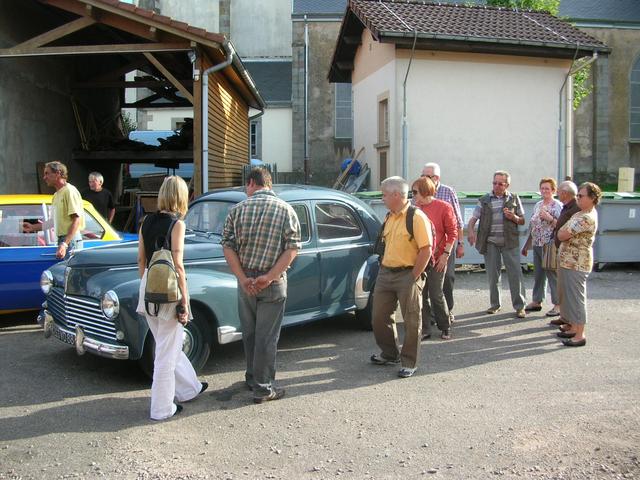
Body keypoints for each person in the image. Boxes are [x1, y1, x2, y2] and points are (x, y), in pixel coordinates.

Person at [221, 167, 301, 403]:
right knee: (267, 336)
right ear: (269, 184)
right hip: (272, 282)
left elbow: (227, 246)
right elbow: (292, 248)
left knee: (250, 333)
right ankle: (264, 387)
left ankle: (252, 377)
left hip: (245, 282)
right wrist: (271, 276)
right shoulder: (286, 209)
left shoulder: (236, 210)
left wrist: (242, 277)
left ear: (251, 184)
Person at [136, 176, 206, 420]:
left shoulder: (146, 221)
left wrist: (148, 284)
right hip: (169, 289)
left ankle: (189, 388)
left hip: (148, 288)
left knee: (168, 344)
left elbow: (141, 262)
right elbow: (178, 265)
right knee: (167, 352)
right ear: (181, 196)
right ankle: (162, 408)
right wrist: (184, 302)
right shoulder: (177, 225)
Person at [370, 176, 432, 378]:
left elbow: (426, 250)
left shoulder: (416, 217)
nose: (382, 198)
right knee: (379, 317)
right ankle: (389, 354)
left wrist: (413, 276)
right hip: (386, 273)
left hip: (408, 273)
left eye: (385, 195)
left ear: (397, 195)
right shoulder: (389, 216)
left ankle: (409, 362)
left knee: (412, 320)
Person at [467, 170, 527, 318]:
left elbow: (522, 220)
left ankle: (520, 306)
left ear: (507, 184)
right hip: (490, 243)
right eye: (494, 183)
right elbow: (474, 218)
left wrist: (513, 216)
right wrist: (470, 232)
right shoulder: (484, 199)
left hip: (509, 242)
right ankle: (495, 305)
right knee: (493, 276)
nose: (497, 186)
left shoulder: (514, 198)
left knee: (515, 274)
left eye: (500, 183)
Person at [555, 182, 601, 347]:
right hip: (569, 261)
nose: (578, 198)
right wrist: (562, 231)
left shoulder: (586, 217)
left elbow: (562, 234)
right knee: (570, 297)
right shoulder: (581, 213)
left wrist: (562, 232)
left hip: (577, 263)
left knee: (577, 299)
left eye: (581, 196)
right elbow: (562, 231)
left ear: (592, 198)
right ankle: (573, 327)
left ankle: (580, 335)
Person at [411, 176, 457, 340]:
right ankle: (425, 329)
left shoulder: (444, 207)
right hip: (420, 257)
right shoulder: (415, 209)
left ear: (424, 191)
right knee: (420, 294)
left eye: (415, 192)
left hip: (437, 258)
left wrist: (445, 255)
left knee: (436, 293)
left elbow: (452, 233)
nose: (413, 195)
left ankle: (445, 326)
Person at [421, 163, 464, 320]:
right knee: (427, 282)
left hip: (446, 244)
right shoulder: (419, 192)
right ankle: (431, 315)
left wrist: (460, 244)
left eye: (428, 176)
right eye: (422, 175)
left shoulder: (447, 192)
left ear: (436, 178)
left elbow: (458, 221)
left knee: (447, 278)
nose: (424, 179)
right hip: (426, 246)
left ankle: (447, 311)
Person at [23, 161, 84, 259]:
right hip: (63, 241)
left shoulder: (69, 191)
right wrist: (33, 227)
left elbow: (76, 220)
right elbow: (53, 222)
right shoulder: (56, 195)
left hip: (70, 241)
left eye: (47, 173)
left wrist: (65, 244)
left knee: (69, 273)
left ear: (58, 173)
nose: (44, 177)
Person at [521, 178, 563, 316]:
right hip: (537, 244)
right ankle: (537, 301)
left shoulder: (557, 205)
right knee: (538, 274)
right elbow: (533, 226)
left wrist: (549, 218)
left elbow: (562, 226)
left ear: (553, 190)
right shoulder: (538, 204)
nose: (544, 191)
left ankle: (558, 305)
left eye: (547, 188)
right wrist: (526, 245)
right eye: (542, 188)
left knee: (552, 274)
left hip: (550, 244)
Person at [548, 181, 581, 326]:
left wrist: (560, 235)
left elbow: (570, 231)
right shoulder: (567, 206)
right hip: (562, 251)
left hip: (571, 253)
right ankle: (564, 316)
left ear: (564, 193)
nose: (557, 194)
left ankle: (571, 322)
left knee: (569, 289)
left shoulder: (576, 208)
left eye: (559, 191)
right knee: (562, 286)